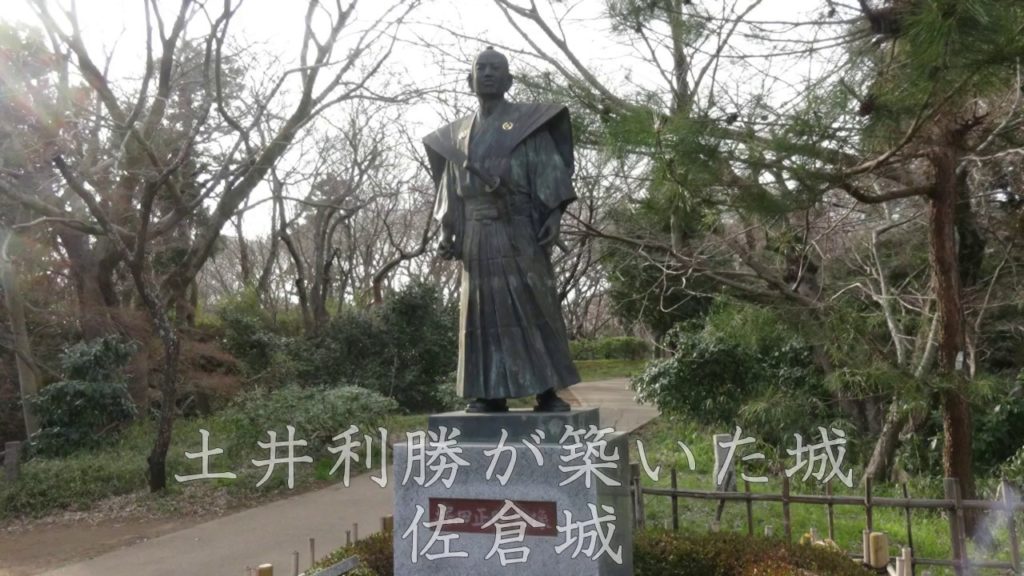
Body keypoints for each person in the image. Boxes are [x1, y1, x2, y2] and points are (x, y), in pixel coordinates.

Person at [423, 46, 580, 413]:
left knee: (533, 306)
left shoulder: (528, 128)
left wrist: (553, 218)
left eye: (497, 69)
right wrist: (449, 231)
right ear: (470, 79)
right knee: (481, 314)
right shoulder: (456, 136)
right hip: (477, 234)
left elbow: (551, 176)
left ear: (509, 80)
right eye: (482, 68)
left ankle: (546, 391)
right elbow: (450, 190)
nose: (489, 73)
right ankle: (488, 393)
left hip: (520, 229)